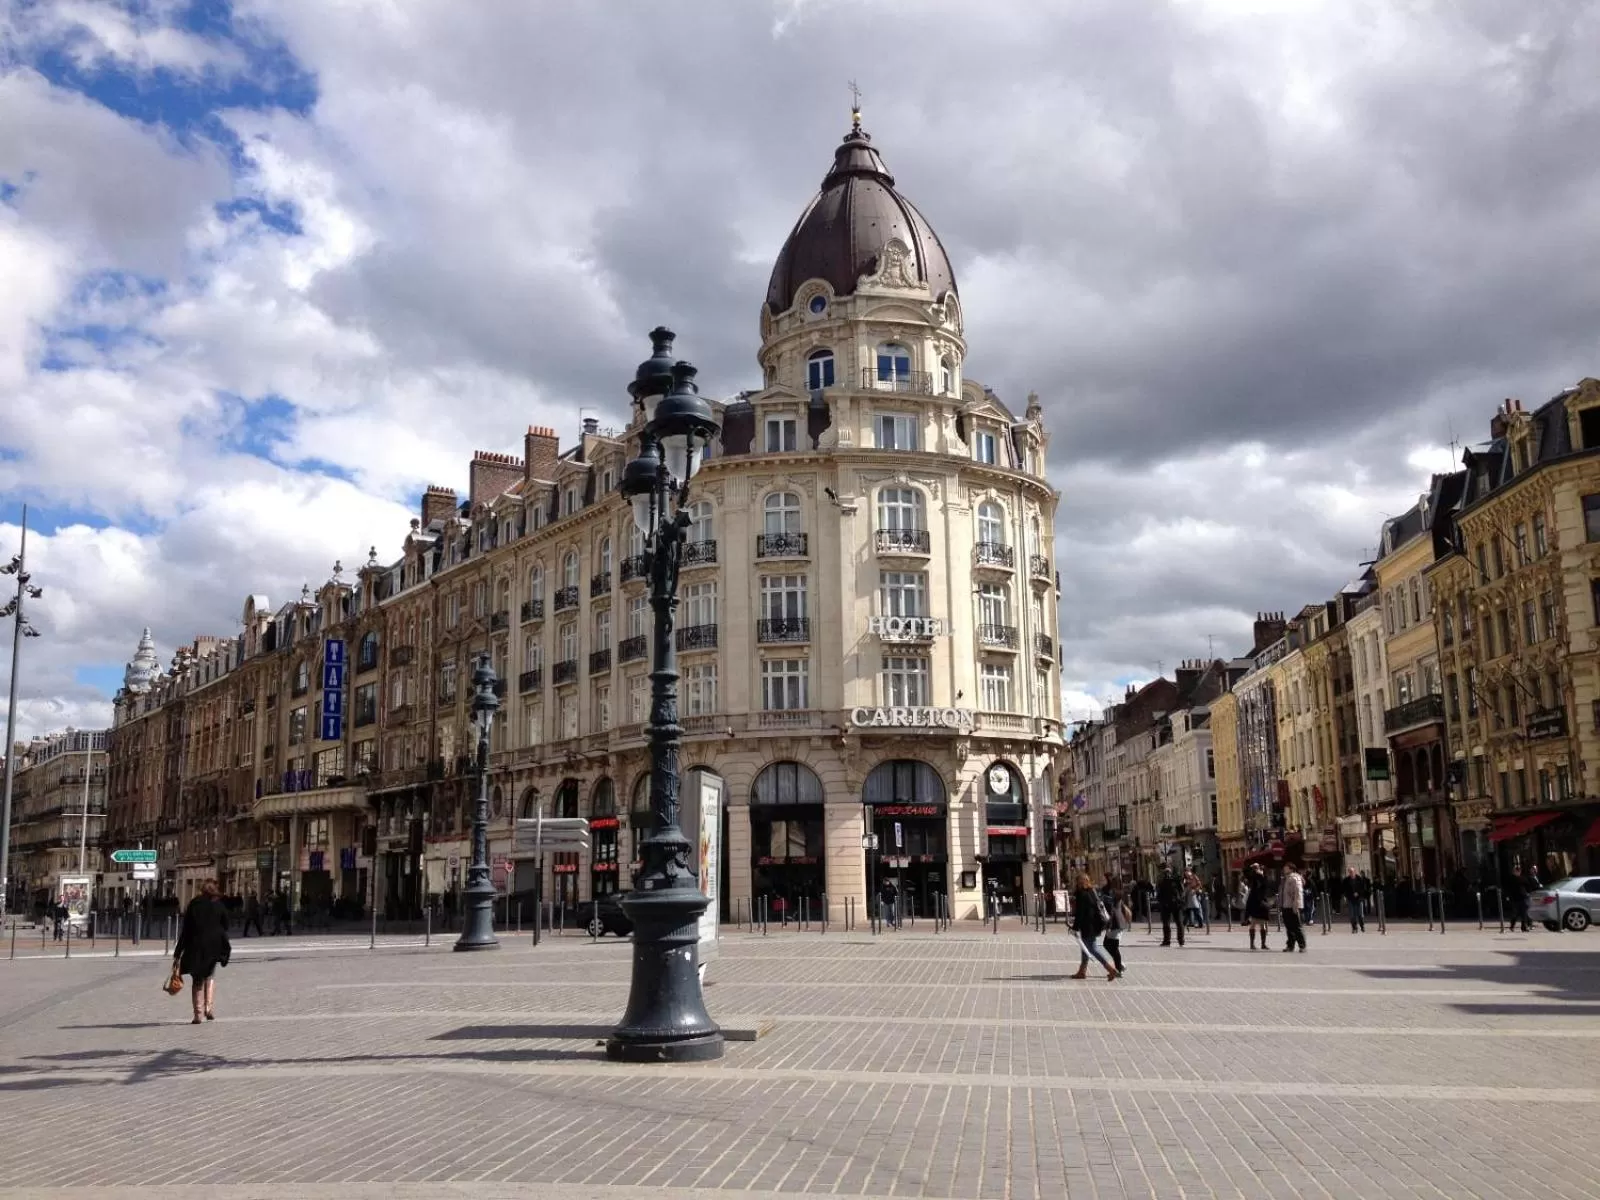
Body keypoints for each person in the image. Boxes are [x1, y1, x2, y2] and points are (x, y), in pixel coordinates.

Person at [174, 879, 232, 1023]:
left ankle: (197, 1014)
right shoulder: (218, 905)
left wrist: (178, 951)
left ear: (201, 890)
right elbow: (226, 925)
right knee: (210, 975)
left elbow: (186, 930)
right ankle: (208, 1008)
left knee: (197, 979)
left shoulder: (194, 904)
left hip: (195, 946)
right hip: (214, 945)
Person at [1069, 873, 1118, 981]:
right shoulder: (1092, 891)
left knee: (1092, 948)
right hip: (1095, 924)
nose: (1076, 884)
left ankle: (1111, 969)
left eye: (1077, 882)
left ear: (1079, 882)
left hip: (1087, 925)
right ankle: (1082, 971)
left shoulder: (1082, 894)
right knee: (1085, 947)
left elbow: (1080, 913)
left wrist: (1075, 927)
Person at [1100, 879, 1130, 974]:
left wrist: (1108, 925)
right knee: (1108, 945)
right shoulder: (1120, 893)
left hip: (1115, 924)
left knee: (1113, 947)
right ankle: (1119, 965)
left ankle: (1119, 968)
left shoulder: (1114, 894)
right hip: (1118, 923)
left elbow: (1111, 909)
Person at [1279, 863, 1307, 953]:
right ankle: (1290, 946)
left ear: (1291, 869)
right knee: (1289, 927)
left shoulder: (1295, 878)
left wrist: (1296, 905)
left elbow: (1298, 893)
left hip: (1292, 906)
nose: (1284, 869)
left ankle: (1302, 945)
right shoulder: (1285, 878)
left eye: (1286, 868)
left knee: (1297, 926)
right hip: (1285, 905)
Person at [1155, 866, 1185, 947]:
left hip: (1166, 905)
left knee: (1166, 923)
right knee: (1179, 923)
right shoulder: (1176, 881)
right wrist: (1181, 901)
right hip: (1176, 904)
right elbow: (1182, 891)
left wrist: (1160, 902)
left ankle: (1167, 941)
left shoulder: (1162, 882)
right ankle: (1181, 940)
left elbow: (1159, 893)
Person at [1245, 865, 1273, 949]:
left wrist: (1259, 872)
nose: (1260, 871)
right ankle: (1252, 944)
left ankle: (1262, 944)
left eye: (1261, 869)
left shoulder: (1262, 878)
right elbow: (1247, 873)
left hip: (1261, 902)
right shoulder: (1253, 878)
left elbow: (1265, 883)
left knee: (1262, 923)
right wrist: (1253, 868)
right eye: (1258, 869)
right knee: (1253, 923)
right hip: (1255, 902)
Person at [1343, 867, 1368, 932]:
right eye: (1350, 872)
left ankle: (1362, 926)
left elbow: (1364, 889)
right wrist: (1347, 896)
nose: (1351, 873)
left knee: (1360, 914)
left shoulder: (1360, 879)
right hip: (1351, 899)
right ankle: (1354, 928)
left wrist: (1358, 893)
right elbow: (1344, 890)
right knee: (1352, 915)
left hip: (1359, 899)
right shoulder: (1346, 880)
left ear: (1355, 872)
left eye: (1352, 872)